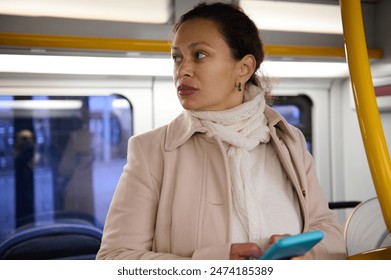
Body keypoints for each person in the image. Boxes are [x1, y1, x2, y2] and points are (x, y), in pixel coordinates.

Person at [96, 2, 346, 260]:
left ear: (244, 68)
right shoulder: (152, 151)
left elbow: (331, 234)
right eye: (177, 57)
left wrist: (305, 257)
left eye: (199, 55)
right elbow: (114, 258)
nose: (182, 70)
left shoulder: (288, 140)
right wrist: (212, 265)